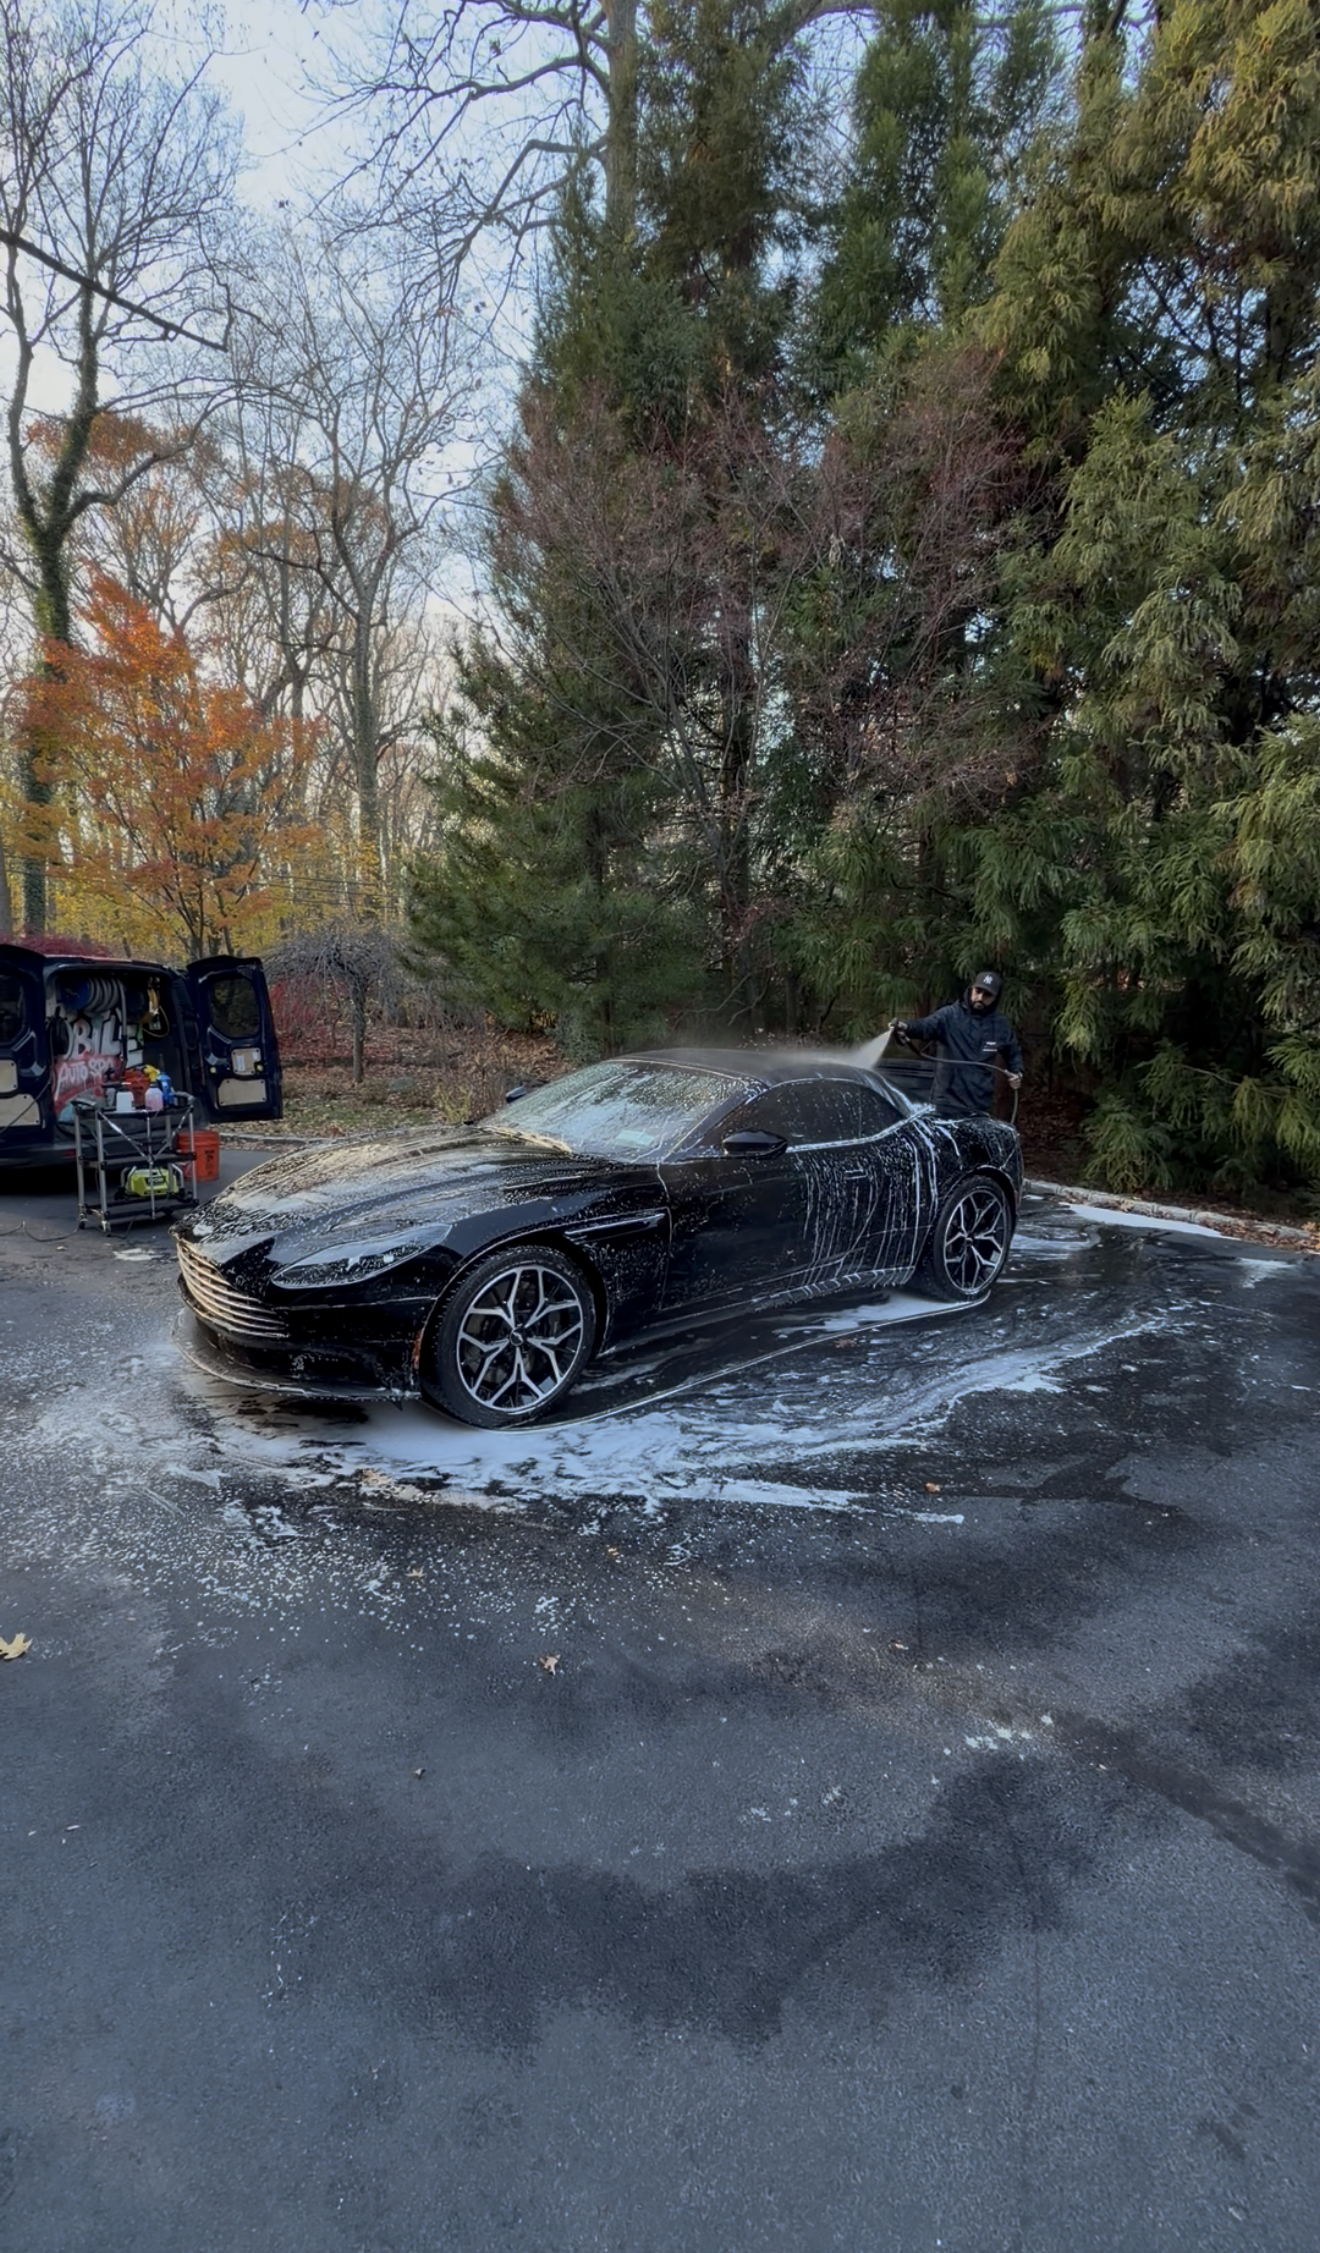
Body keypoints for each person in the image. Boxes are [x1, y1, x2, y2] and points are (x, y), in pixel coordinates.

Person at [889, 971, 1023, 1119]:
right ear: (971, 989)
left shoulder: (1000, 1025)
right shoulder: (950, 1016)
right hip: (945, 1104)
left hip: (980, 1107)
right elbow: (925, 1026)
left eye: (987, 995)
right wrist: (905, 1026)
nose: (980, 998)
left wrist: (1016, 1072)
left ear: (995, 998)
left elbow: (1013, 1052)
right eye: (978, 991)